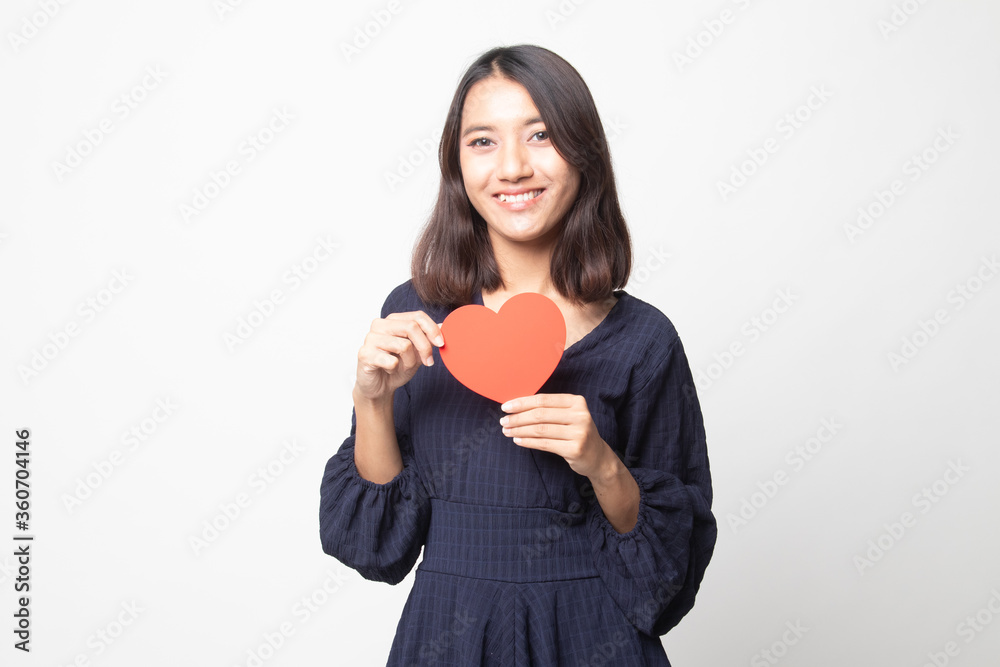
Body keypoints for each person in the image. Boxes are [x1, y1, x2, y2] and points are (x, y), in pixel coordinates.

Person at [319, 43, 717, 666]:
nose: (512, 167)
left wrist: (602, 464)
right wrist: (371, 401)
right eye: (483, 141)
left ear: (583, 153)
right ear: (456, 165)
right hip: (448, 639)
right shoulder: (416, 315)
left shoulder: (643, 340)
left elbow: (667, 581)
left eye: (541, 135)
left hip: (592, 640)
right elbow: (374, 548)